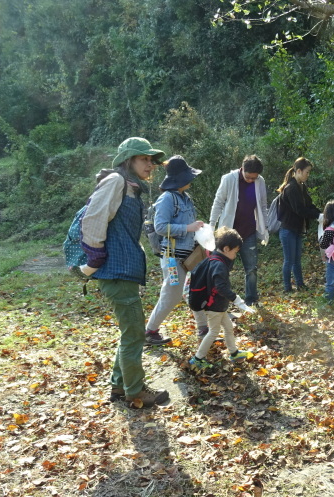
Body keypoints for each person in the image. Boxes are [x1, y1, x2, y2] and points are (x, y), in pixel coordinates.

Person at [80, 137, 170, 408]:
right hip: (115, 271)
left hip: (123, 270)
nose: (150, 165)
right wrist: (96, 256)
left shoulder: (130, 187)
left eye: (151, 160)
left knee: (129, 332)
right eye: (144, 159)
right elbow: (93, 219)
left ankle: (120, 385)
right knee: (134, 334)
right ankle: (135, 391)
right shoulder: (116, 182)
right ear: (128, 160)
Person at [144, 156, 209, 345]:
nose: (191, 179)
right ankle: (150, 331)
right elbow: (161, 227)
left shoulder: (186, 198)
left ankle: (203, 328)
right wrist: (188, 228)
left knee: (196, 290)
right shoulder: (166, 199)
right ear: (180, 178)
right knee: (171, 295)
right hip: (172, 258)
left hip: (189, 255)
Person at [188, 227, 256, 369]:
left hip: (219, 305)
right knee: (213, 332)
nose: (236, 255)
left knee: (228, 327)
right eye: (235, 251)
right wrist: (236, 299)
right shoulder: (219, 264)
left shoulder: (214, 258)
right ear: (226, 249)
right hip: (214, 306)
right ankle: (198, 358)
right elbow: (220, 287)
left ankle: (234, 352)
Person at [209, 155, 270, 306]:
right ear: (242, 169)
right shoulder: (229, 179)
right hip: (228, 233)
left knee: (251, 268)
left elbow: (263, 205)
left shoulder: (260, 181)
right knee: (222, 269)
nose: (250, 180)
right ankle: (220, 300)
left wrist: (265, 227)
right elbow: (218, 202)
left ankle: (251, 299)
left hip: (249, 231)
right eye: (248, 177)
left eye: (253, 178)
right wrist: (212, 224)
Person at [277, 157, 321, 293]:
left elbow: (309, 205)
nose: (308, 175)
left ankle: (300, 285)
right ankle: (287, 288)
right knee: (289, 260)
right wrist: (317, 216)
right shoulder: (291, 188)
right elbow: (300, 210)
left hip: (296, 230)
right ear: (299, 171)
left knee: (296, 260)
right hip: (288, 230)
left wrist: (322, 213)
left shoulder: (301, 186)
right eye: (307, 172)